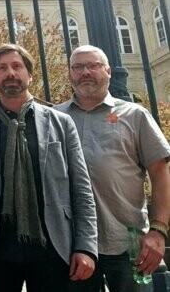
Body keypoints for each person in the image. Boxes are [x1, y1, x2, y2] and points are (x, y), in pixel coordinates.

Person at [0, 43, 98, 292]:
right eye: (2, 68)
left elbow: (82, 190)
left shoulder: (61, 123)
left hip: (54, 248)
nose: (10, 73)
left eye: (17, 66)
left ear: (30, 74)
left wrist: (86, 246)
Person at [56, 44, 170, 292]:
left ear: (108, 71)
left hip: (128, 244)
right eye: (78, 67)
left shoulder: (134, 115)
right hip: (71, 245)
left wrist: (158, 231)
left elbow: (160, 174)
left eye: (93, 66)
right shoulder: (55, 118)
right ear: (71, 74)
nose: (85, 72)